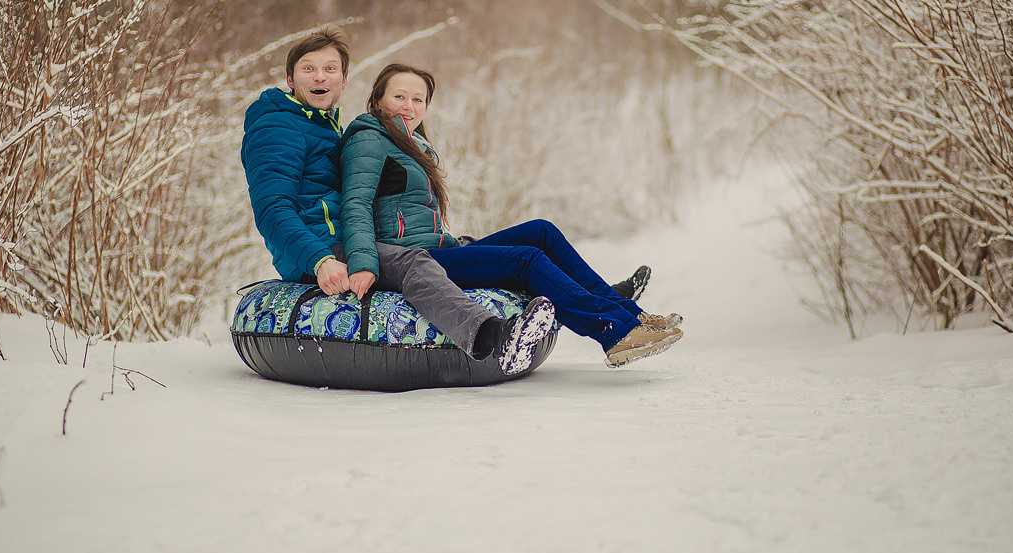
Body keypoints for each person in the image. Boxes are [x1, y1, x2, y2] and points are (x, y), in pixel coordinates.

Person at [241, 26, 558, 374]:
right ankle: (492, 338)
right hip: (319, 251)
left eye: (330, 68)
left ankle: (589, 305)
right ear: (290, 77)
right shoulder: (278, 126)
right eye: (309, 68)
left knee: (497, 244)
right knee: (413, 262)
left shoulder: (323, 125)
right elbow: (272, 209)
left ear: (344, 80)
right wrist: (319, 261)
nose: (320, 76)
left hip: (340, 243)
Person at [340, 63, 684, 368]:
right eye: (399, 96)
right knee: (526, 260)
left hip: (441, 249)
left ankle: (632, 318)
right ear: (377, 101)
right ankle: (613, 332)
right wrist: (364, 263)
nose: (409, 106)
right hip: (414, 258)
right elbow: (355, 205)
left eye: (418, 99)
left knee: (541, 231)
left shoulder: (412, 145)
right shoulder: (369, 141)